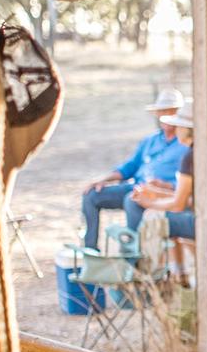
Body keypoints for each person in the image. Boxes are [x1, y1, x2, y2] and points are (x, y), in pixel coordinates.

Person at [80, 89, 189, 249]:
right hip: (137, 185)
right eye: (162, 111)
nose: (165, 116)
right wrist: (103, 180)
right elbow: (129, 167)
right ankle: (90, 250)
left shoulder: (184, 145)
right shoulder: (150, 140)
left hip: (160, 192)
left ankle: (135, 253)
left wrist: (165, 185)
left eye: (170, 111)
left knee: (132, 198)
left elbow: (185, 183)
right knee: (91, 195)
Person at [127, 103, 195, 242]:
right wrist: (156, 194)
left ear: (186, 129)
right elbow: (191, 200)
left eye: (178, 126)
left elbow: (178, 205)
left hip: (200, 220)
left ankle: (139, 259)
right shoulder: (198, 150)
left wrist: (149, 202)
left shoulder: (190, 156)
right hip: (203, 212)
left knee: (150, 216)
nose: (176, 130)